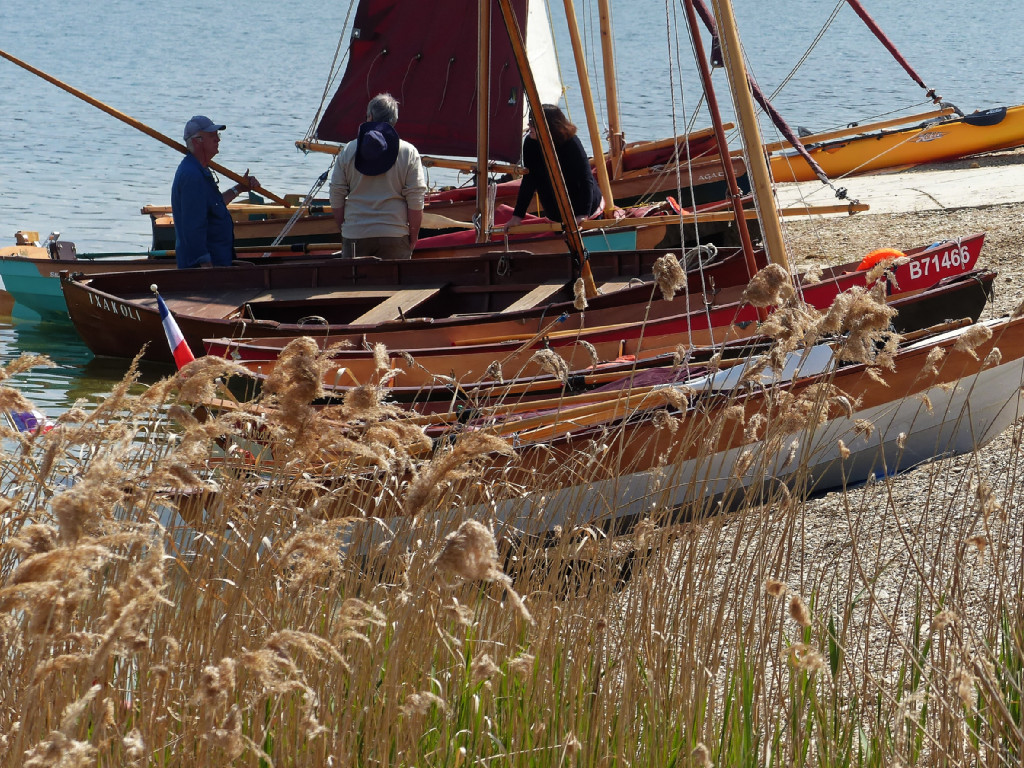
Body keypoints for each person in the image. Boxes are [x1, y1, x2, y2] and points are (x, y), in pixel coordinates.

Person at [329, 93, 427, 259]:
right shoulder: (409, 152)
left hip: (355, 234)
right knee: (394, 285)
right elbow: (416, 201)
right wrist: (414, 236)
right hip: (395, 234)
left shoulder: (348, 151)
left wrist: (346, 229)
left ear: (370, 117)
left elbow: (336, 195)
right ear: (395, 121)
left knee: (354, 285)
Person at [171, 115, 259, 269]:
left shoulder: (201, 170)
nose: (218, 139)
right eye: (212, 135)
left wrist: (239, 188)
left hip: (219, 260)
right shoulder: (192, 175)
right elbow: (193, 226)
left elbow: (214, 205)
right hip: (202, 267)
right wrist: (204, 263)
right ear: (197, 141)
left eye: (217, 135)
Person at [506, 104, 603, 229]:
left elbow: (586, 179)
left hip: (585, 211)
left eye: (533, 122)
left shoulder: (571, 143)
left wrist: (583, 214)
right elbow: (529, 181)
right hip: (555, 216)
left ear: (549, 125)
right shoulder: (530, 143)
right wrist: (517, 216)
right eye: (530, 120)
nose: (529, 125)